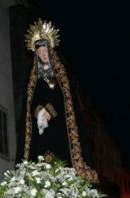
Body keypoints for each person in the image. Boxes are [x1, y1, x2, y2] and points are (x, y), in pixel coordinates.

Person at [20, 19, 98, 183]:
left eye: (44, 51)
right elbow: (30, 102)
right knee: (40, 157)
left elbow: (62, 96)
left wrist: (49, 110)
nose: (42, 54)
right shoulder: (33, 77)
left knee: (60, 157)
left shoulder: (61, 73)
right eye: (39, 52)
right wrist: (39, 111)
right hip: (40, 129)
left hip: (60, 127)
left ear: (50, 51)